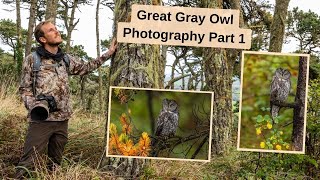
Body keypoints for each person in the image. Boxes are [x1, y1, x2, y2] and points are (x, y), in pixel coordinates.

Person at [15, 19, 117, 178]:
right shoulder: (32, 59)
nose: (56, 31)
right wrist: (35, 106)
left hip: (63, 120)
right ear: (42, 39)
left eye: (56, 28)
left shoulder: (65, 59)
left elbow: (86, 67)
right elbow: (24, 88)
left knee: (55, 164)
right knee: (28, 163)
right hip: (41, 120)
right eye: (51, 30)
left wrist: (109, 53)